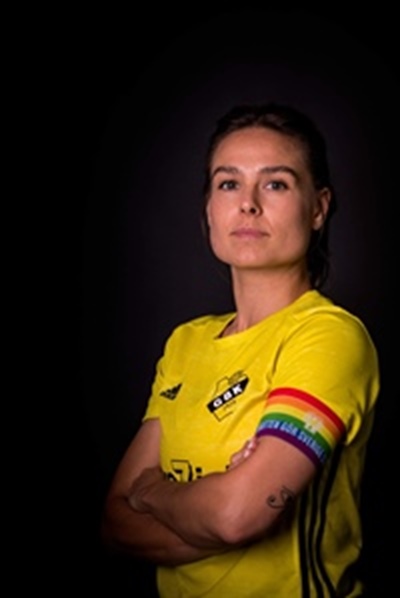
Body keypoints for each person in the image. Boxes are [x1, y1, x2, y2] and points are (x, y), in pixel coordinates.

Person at [101, 102, 380, 597]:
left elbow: (236, 516)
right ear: (209, 207)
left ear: (318, 208)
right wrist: (215, 507)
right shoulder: (185, 343)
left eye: (276, 184)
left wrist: (154, 491)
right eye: (228, 183)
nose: (247, 204)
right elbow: (115, 521)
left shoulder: (328, 336)